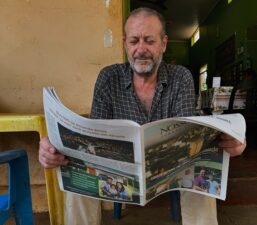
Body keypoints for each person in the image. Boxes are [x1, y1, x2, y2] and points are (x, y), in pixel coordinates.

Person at [39, 7, 246, 225]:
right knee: (77, 173)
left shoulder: (181, 77)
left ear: (164, 44)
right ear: (125, 43)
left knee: (200, 176)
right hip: (119, 169)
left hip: (170, 168)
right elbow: (93, 131)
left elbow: (191, 130)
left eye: (149, 40)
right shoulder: (109, 78)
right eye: (134, 40)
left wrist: (231, 140)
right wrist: (55, 146)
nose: (141, 49)